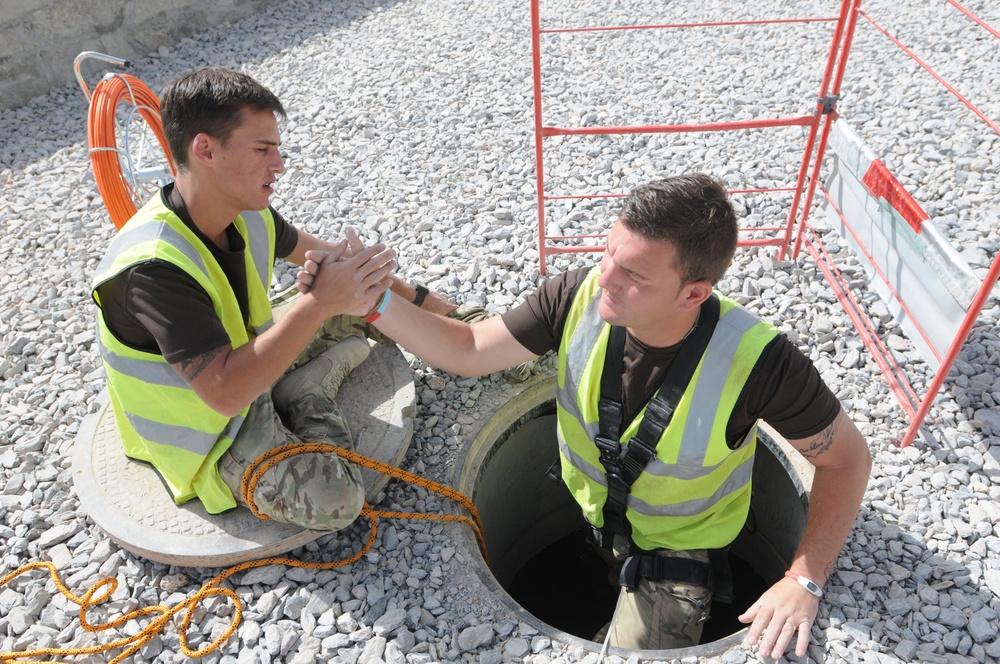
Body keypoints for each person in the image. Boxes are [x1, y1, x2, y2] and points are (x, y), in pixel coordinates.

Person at [304, 174, 872, 658]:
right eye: (609, 256)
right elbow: (471, 350)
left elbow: (848, 461)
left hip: (676, 554)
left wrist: (804, 577)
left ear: (693, 293)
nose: (606, 280)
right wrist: (371, 304)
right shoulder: (579, 296)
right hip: (598, 520)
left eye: (635, 277)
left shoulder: (760, 363)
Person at [90, 66, 478, 532]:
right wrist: (316, 305)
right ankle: (309, 394)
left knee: (357, 298)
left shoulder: (246, 212)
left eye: (277, 148)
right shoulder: (152, 270)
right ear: (205, 149)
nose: (279, 165)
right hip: (213, 431)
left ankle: (477, 340)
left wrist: (431, 303)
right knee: (336, 501)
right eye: (262, 149)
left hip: (247, 361)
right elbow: (225, 395)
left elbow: (340, 263)